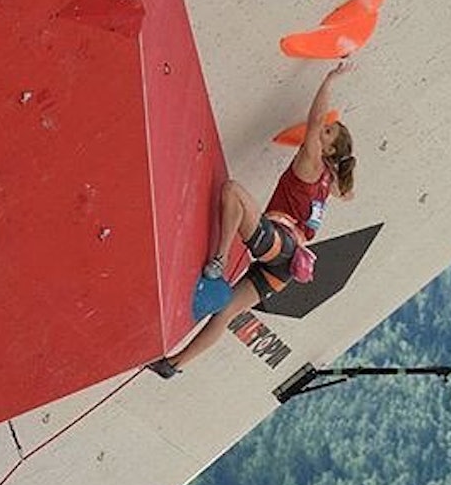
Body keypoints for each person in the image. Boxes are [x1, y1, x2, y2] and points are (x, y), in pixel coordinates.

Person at [148, 61, 356, 378]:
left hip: (282, 244)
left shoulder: (312, 163)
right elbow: (348, 192)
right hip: (286, 268)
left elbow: (315, 120)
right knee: (226, 312)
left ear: (326, 149)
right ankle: (172, 365)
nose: (322, 129)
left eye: (328, 133)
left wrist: (329, 80)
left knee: (232, 192)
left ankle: (217, 262)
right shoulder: (329, 181)